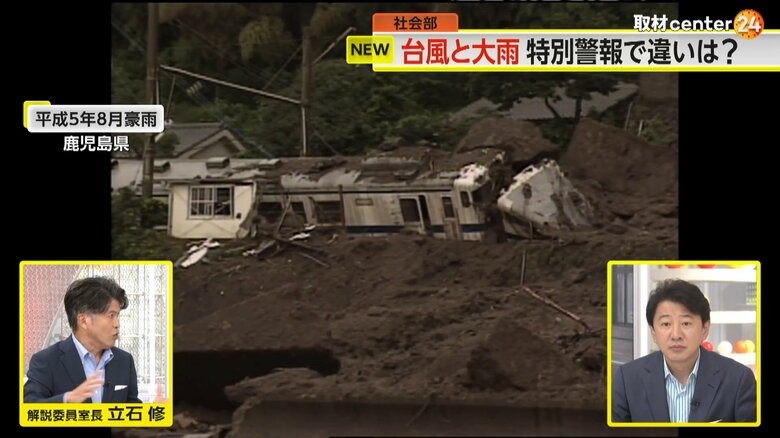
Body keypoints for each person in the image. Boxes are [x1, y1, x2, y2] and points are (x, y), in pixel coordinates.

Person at [612, 279, 756, 423]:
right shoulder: (627, 379)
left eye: (686, 323)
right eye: (666, 324)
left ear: (704, 329)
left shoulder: (739, 380)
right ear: (653, 332)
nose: (676, 335)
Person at [24, 277, 142, 403]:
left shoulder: (124, 361)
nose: (117, 324)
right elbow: (29, 410)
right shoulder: (46, 361)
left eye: (117, 316)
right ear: (83, 320)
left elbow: (132, 412)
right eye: (111, 316)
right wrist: (67, 400)